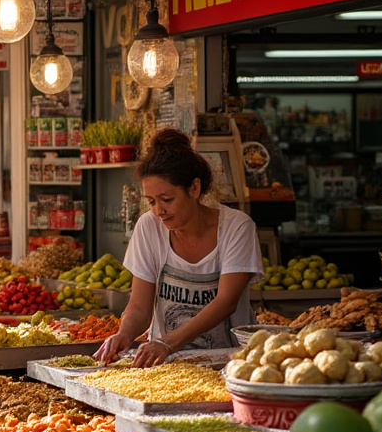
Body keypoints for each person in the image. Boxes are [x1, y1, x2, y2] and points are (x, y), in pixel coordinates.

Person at [95, 129, 264, 367]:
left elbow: (227, 301)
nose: (158, 211)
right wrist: (124, 334)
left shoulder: (236, 227)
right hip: (166, 365)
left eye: (167, 199)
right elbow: (140, 306)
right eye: (151, 201)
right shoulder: (148, 227)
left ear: (194, 189)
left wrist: (167, 343)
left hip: (231, 362)